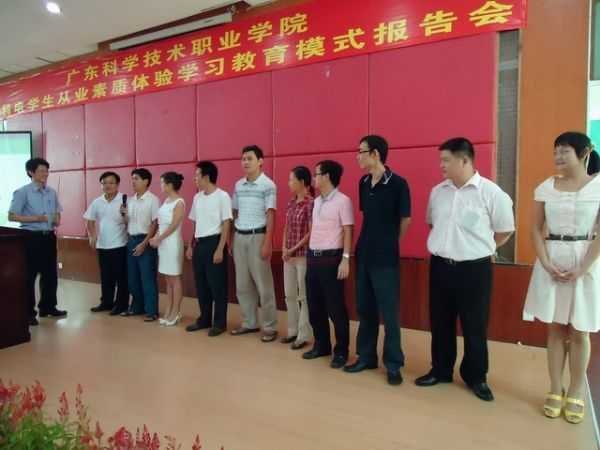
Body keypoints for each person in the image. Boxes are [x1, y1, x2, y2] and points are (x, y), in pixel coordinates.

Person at [415, 137, 514, 402]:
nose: (441, 165)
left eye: (446, 160)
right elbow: (432, 223)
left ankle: (476, 376)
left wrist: (480, 247)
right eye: (441, 160)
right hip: (440, 266)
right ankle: (441, 370)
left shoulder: (491, 193)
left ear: (465, 160)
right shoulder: (438, 192)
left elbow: (505, 230)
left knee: (474, 325)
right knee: (440, 321)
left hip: (475, 270)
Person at [523, 131, 600, 424]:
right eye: (556, 151)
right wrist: (545, 262)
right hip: (552, 259)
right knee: (555, 328)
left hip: (586, 261)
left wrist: (584, 267)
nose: (558, 156)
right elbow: (535, 229)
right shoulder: (546, 187)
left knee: (580, 330)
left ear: (584, 153)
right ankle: (556, 388)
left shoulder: (598, 186)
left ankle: (576, 391)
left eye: (565, 151)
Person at [344, 135, 411, 385]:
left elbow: (406, 220)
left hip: (385, 258)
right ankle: (366, 356)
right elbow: (367, 217)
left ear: (375, 154)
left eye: (361, 151)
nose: (357, 156)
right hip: (364, 254)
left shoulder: (398, 184)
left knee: (389, 313)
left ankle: (393, 364)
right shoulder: (363, 182)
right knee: (365, 308)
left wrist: (391, 243)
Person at [303, 160, 353, 369]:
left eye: (317, 174)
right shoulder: (316, 202)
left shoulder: (343, 201)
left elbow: (348, 230)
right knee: (314, 306)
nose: (314, 178)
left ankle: (341, 351)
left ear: (327, 176)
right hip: (313, 259)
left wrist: (346, 259)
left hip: (332, 259)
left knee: (335, 308)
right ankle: (321, 345)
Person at [8, 157, 67, 326]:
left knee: (50, 274)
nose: (45, 174)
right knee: (30, 275)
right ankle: (28, 313)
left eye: (46, 171)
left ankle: (48, 307)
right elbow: (12, 216)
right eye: (41, 171)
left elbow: (57, 211)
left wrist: (57, 219)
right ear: (31, 172)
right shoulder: (22, 192)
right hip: (30, 237)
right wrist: (37, 218)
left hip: (48, 236)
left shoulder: (51, 192)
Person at [230, 145, 278, 343]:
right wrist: (232, 238)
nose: (245, 162)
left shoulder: (268, 185)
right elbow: (234, 212)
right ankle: (249, 322)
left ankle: (270, 327)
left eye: (249, 158)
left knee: (264, 286)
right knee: (242, 285)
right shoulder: (238, 185)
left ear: (260, 161)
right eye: (243, 159)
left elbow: (271, 214)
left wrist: (268, 242)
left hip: (258, 236)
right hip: (239, 237)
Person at [186, 161, 232, 337]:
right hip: (199, 244)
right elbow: (194, 222)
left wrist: (220, 249)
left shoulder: (222, 196)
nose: (195, 179)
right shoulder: (197, 197)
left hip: (215, 243)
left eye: (197, 175)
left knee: (217, 286)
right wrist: (190, 245)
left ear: (206, 177)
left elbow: (226, 223)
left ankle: (219, 323)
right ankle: (204, 319)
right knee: (201, 284)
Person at [84, 172, 129, 315]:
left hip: (120, 245)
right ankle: (106, 302)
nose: (107, 185)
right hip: (102, 245)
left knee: (121, 278)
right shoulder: (97, 202)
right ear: (101, 185)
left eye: (111, 182)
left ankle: (121, 304)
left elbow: (131, 223)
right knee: (106, 277)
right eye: (104, 183)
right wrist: (92, 236)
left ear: (117, 184)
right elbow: (89, 220)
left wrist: (125, 215)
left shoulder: (125, 200)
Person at [280, 166, 314, 350]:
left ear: (302, 182)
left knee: (303, 296)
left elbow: (310, 232)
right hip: (289, 256)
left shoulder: (311, 203)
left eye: (291, 179)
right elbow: (286, 227)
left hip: (302, 256)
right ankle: (292, 331)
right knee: (289, 295)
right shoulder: (291, 202)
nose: (289, 183)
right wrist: (284, 248)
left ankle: (303, 334)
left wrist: (292, 249)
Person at [121, 168, 160, 321]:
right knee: (132, 278)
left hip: (145, 240)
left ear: (146, 181)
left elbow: (155, 224)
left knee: (147, 277)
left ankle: (152, 311)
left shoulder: (153, 200)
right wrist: (124, 215)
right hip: (131, 240)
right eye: (132, 179)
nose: (133, 181)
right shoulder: (130, 200)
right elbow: (127, 223)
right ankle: (137, 307)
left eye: (136, 178)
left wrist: (144, 243)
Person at [149, 172, 185, 326]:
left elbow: (173, 225)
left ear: (170, 185)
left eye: (162, 183)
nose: (161, 186)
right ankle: (169, 310)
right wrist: (155, 237)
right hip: (163, 244)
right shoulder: (166, 201)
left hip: (172, 243)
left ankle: (176, 312)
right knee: (168, 279)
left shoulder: (179, 202)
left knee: (175, 279)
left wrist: (159, 238)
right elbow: (162, 224)